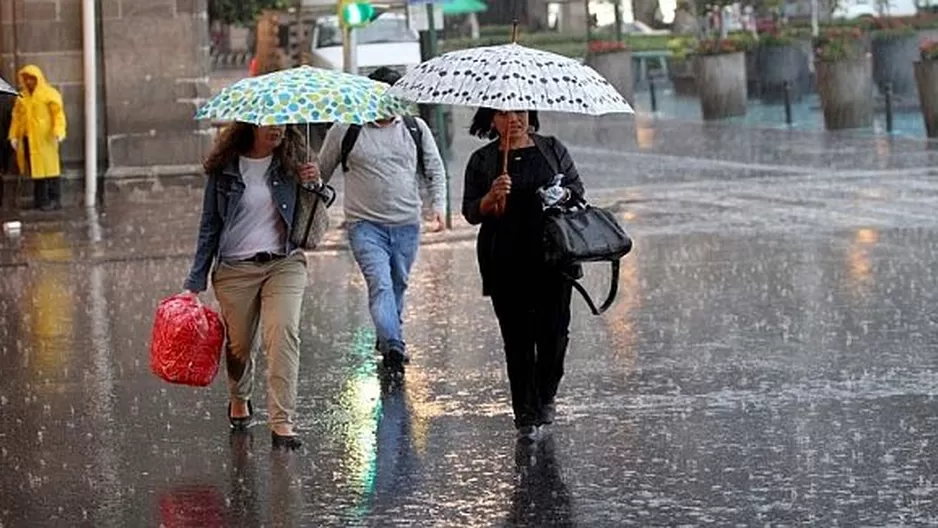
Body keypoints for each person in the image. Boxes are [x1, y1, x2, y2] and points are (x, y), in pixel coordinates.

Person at [183, 122, 317, 451]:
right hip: (235, 269)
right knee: (239, 345)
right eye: (270, 124)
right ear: (252, 125)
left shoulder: (291, 160)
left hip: (284, 262)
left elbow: (315, 208)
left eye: (283, 123)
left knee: (283, 332)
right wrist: (194, 282)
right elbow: (209, 225)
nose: (278, 130)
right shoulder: (225, 168)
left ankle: (282, 421)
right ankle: (239, 396)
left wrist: (313, 183)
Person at [312, 67, 447, 378]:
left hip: (407, 224)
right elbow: (323, 172)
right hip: (364, 225)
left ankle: (388, 335)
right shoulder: (347, 129)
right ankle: (393, 345)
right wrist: (310, 183)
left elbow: (434, 170)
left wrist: (438, 207)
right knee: (380, 284)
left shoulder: (415, 128)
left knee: (398, 283)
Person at [461, 108, 585, 443]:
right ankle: (525, 414)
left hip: (553, 256)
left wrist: (562, 194)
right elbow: (471, 212)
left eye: (520, 111)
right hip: (504, 258)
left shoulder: (552, 148)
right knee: (517, 340)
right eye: (503, 114)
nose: (513, 118)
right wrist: (490, 198)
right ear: (490, 120)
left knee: (554, 336)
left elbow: (577, 190)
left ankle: (546, 395)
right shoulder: (483, 160)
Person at [7, 65, 67, 211]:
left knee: (51, 170)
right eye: (26, 79)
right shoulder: (22, 97)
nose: (29, 82)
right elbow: (17, 118)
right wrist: (14, 135)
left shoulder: (49, 94)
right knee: (36, 171)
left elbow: (58, 114)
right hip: (30, 139)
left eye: (31, 79)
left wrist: (58, 131)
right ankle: (41, 200)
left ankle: (54, 199)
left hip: (46, 138)